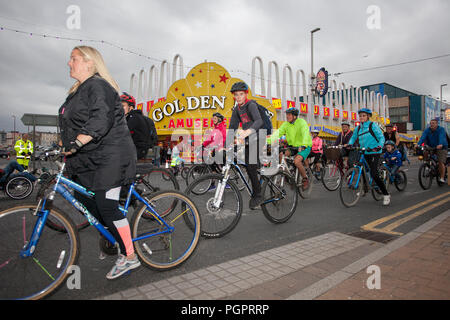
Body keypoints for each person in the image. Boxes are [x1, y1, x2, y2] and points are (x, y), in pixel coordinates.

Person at [59, 45, 139, 280]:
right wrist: (64, 147)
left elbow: (100, 119)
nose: (69, 63)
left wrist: (77, 142)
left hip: (112, 155)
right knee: (83, 199)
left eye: (73, 58)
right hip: (90, 156)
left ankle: (130, 256)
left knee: (106, 204)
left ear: (89, 62)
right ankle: (112, 235)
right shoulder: (77, 91)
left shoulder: (98, 85)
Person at [226, 81, 266, 210]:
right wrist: (226, 145)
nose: (238, 97)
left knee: (251, 164)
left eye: (241, 94)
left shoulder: (251, 105)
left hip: (259, 135)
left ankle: (258, 195)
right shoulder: (237, 109)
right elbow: (232, 127)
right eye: (236, 95)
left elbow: (259, 121)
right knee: (248, 165)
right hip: (248, 138)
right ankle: (258, 173)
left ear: (246, 94)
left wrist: (248, 131)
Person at [346, 108, 390, 205]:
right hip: (364, 152)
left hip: (374, 151)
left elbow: (381, 137)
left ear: (368, 117)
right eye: (360, 115)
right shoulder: (358, 128)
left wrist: (379, 146)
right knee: (361, 170)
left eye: (363, 115)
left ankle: (386, 194)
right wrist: (350, 144)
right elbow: (353, 137)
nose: (361, 117)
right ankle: (364, 189)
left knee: (374, 174)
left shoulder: (372, 125)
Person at [269, 107, 312, 191]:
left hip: (305, 146)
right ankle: (287, 174)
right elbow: (277, 134)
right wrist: (267, 141)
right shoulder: (286, 124)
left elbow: (306, 134)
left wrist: (303, 145)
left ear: (295, 116)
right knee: (281, 155)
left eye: (289, 115)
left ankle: (305, 178)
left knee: (297, 161)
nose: (287, 116)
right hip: (292, 146)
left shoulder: (302, 122)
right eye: (286, 115)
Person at [121, 92, 153, 160]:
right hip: (139, 150)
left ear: (131, 107)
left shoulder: (133, 118)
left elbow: (122, 133)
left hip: (135, 151)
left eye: (123, 106)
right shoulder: (138, 117)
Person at [417, 117, 448, 183]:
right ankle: (427, 165)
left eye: (433, 123)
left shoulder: (441, 129)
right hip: (431, 146)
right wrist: (418, 144)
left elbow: (441, 137)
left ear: (437, 124)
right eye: (430, 123)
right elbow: (423, 137)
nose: (431, 125)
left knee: (440, 162)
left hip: (441, 147)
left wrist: (440, 144)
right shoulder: (427, 130)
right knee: (425, 151)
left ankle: (442, 178)